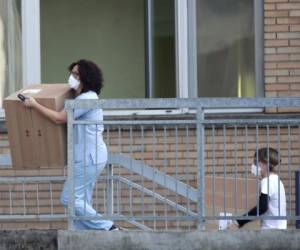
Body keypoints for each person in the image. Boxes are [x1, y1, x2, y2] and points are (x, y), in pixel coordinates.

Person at [22, 59, 119, 231]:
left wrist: (34, 104)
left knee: (69, 198)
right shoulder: (81, 98)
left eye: (76, 74)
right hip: (88, 156)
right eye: (72, 73)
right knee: (82, 199)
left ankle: (108, 226)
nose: (72, 77)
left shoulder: (87, 99)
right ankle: (83, 234)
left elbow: (60, 118)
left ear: (85, 77)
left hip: (89, 156)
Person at [230, 147, 287, 230]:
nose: (253, 165)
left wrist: (238, 222)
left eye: (256, 162)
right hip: (280, 228)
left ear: (266, 163)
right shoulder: (276, 180)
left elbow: (262, 207)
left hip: (270, 230)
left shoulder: (267, 181)